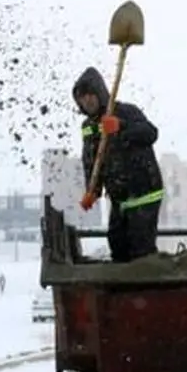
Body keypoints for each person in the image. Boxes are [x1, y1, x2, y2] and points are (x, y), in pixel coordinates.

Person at [73, 66, 165, 263]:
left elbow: (150, 133)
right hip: (119, 199)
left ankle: (145, 290)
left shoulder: (125, 111)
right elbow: (91, 159)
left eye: (90, 94)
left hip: (144, 193)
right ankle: (124, 293)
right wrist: (93, 190)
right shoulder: (88, 127)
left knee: (141, 251)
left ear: (99, 93)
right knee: (117, 244)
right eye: (82, 97)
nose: (87, 100)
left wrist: (121, 127)